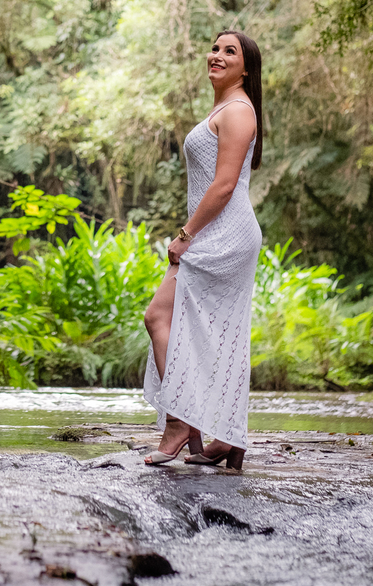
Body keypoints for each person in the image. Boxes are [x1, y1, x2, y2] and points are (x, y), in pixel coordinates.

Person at [140, 29, 264, 472]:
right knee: (209, 336)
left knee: (161, 317)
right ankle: (220, 438)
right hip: (217, 233)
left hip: (222, 236)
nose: (216, 55)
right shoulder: (226, 108)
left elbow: (225, 185)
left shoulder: (238, 111)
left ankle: (180, 422)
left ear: (245, 68)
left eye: (229, 51)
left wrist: (185, 235)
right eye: (214, 48)